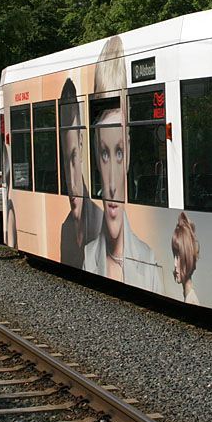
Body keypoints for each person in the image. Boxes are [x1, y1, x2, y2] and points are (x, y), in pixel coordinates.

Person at [83, 36, 162, 293]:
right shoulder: (87, 256)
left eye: (119, 152)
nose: (113, 184)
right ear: (95, 155)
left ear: (129, 153)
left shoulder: (150, 260)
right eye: (105, 153)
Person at [59, 77, 101, 267]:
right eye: (65, 159)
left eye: (73, 157)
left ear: (82, 142)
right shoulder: (65, 229)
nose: (71, 179)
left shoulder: (103, 222)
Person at [171, 212, 200, 304]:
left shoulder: (191, 301)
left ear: (188, 259)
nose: (175, 264)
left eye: (179, 257)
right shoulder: (188, 296)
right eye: (174, 255)